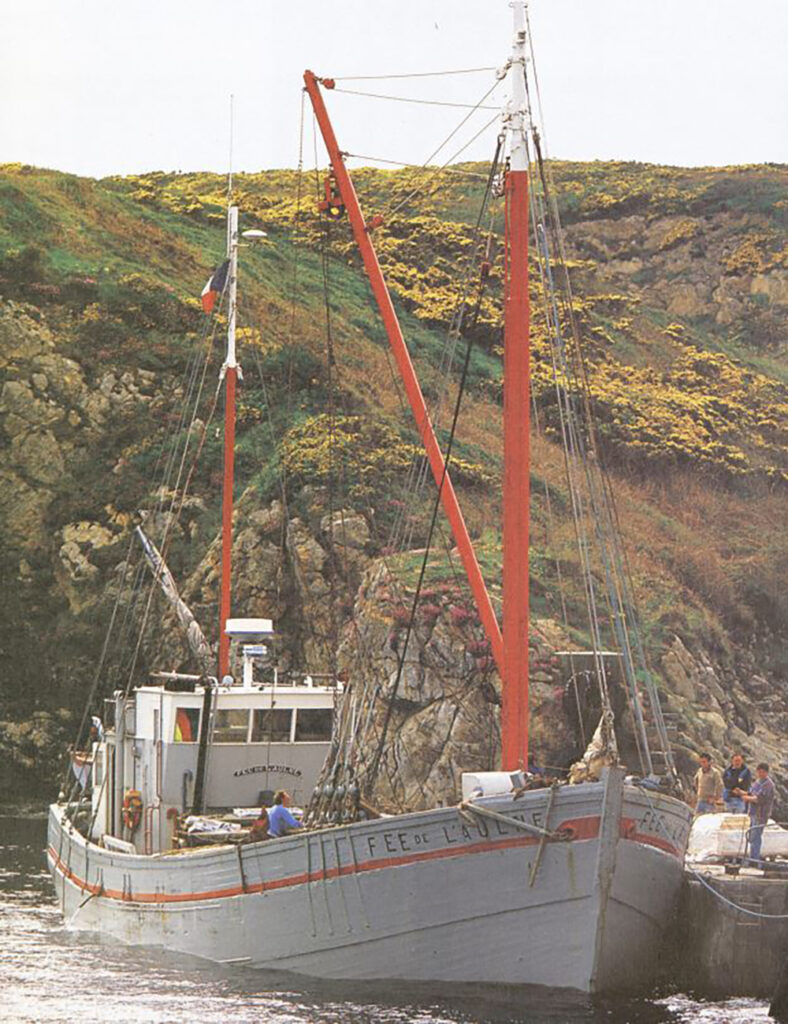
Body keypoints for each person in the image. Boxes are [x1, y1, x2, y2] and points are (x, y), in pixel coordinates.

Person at [738, 762, 775, 865]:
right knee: (752, 836)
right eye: (759, 772)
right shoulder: (757, 782)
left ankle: (755, 860)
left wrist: (747, 798)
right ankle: (752, 858)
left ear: (767, 772)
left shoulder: (768, 785)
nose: (760, 774)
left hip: (761, 814)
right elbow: (751, 793)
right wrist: (742, 792)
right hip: (753, 813)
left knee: (756, 837)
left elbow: (759, 799)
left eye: (763, 772)